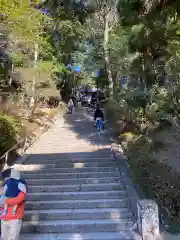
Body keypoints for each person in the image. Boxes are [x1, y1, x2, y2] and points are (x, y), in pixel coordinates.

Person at [1, 168, 27, 240]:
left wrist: (5, 200)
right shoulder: (5, 187)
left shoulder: (21, 189)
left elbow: (16, 201)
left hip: (15, 219)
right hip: (4, 218)